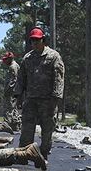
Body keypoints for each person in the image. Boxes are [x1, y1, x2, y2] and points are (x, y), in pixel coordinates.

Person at [15, 27, 65, 159]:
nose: (35, 43)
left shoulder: (53, 56)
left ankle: (44, 152)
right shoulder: (28, 58)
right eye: (32, 40)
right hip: (31, 99)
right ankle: (24, 153)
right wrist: (18, 95)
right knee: (27, 126)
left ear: (43, 40)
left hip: (47, 99)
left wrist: (56, 97)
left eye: (37, 40)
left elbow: (58, 78)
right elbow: (21, 78)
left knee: (47, 127)